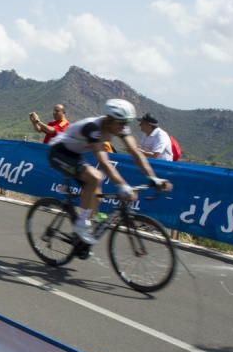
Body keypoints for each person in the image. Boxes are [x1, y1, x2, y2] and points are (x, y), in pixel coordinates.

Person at [48, 99, 171, 245]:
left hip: (75, 154)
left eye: (126, 123)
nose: (124, 127)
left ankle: (81, 238)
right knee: (95, 177)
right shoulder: (93, 128)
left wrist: (153, 178)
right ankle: (81, 225)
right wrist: (122, 185)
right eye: (121, 123)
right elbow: (104, 160)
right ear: (110, 119)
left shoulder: (120, 127)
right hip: (59, 152)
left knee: (97, 197)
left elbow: (135, 153)